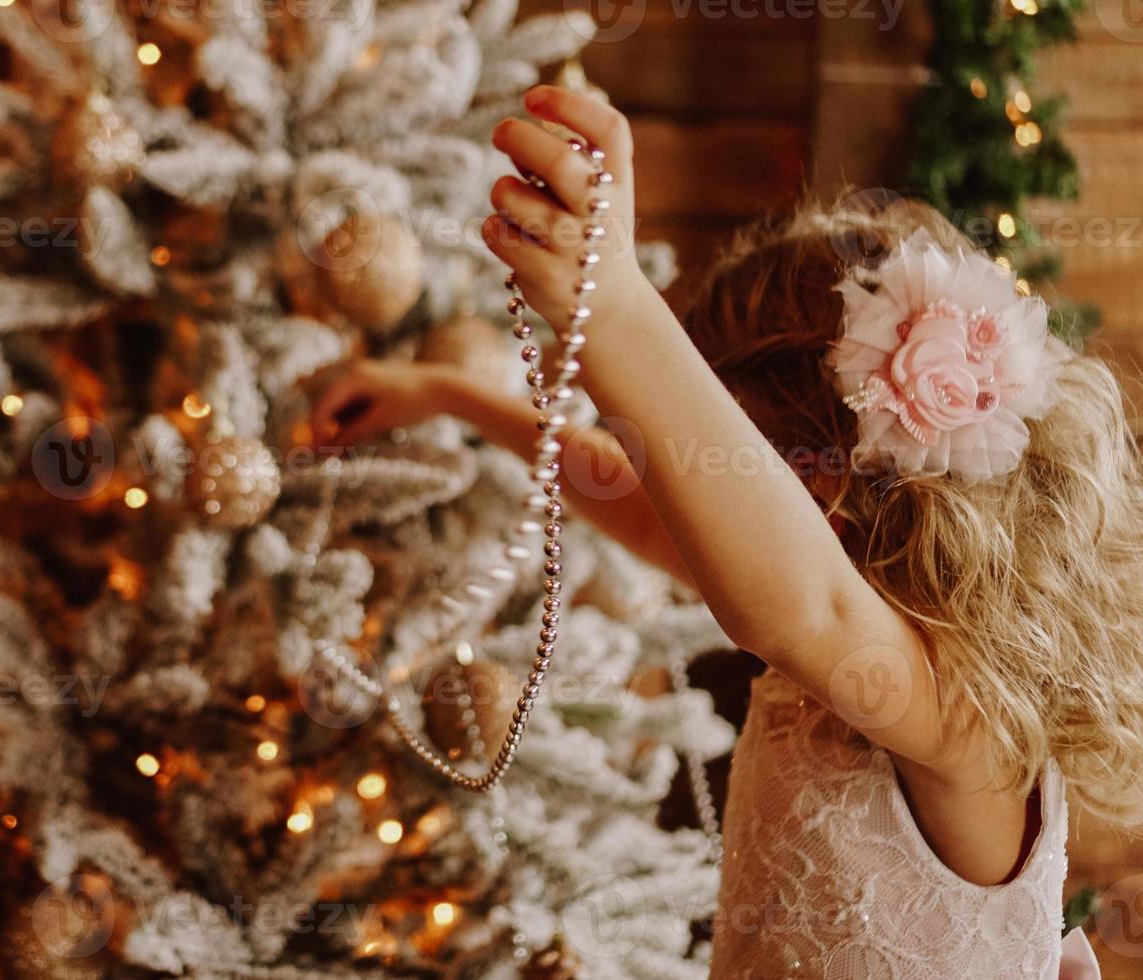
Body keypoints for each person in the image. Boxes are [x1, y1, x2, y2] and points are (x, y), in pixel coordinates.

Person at [311, 86, 1139, 977]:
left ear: (823, 475)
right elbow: (648, 502)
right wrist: (454, 396)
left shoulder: (966, 720)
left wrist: (619, 306)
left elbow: (800, 604)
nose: (704, 492)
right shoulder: (853, 636)